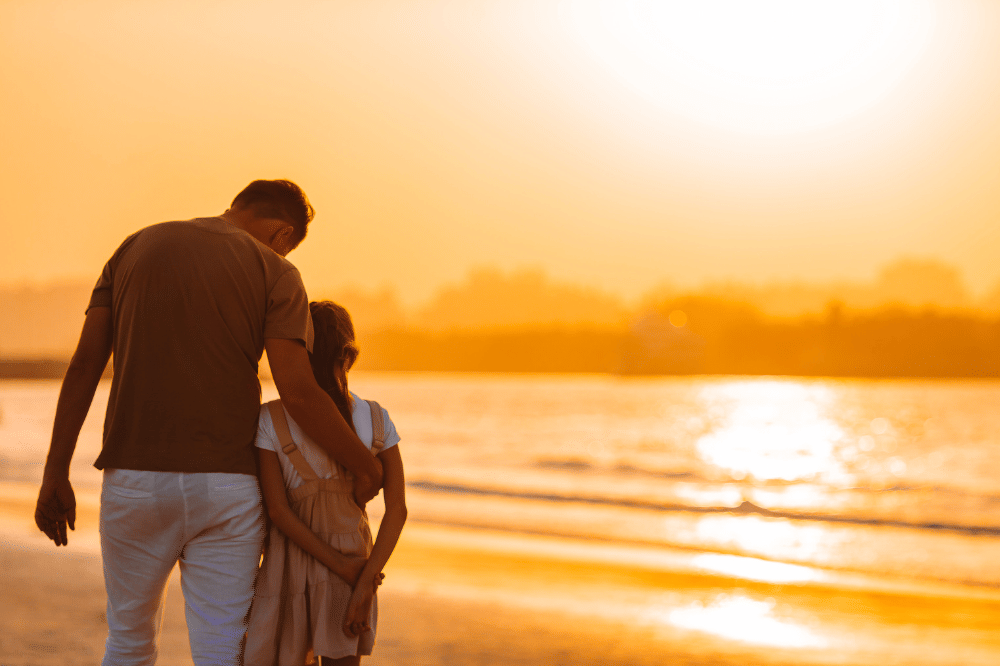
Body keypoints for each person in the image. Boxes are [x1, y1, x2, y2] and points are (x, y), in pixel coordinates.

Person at [34, 180, 384, 666]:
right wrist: (365, 465)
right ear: (283, 233)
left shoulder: (134, 247)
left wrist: (56, 473)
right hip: (226, 487)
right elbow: (299, 392)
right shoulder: (277, 270)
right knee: (222, 649)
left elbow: (84, 365)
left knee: (129, 640)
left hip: (135, 481)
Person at [246, 301, 407, 666]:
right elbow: (397, 510)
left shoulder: (271, 417)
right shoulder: (377, 418)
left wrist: (342, 567)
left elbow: (278, 511)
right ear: (348, 354)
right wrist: (363, 580)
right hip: (355, 563)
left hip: (290, 561)